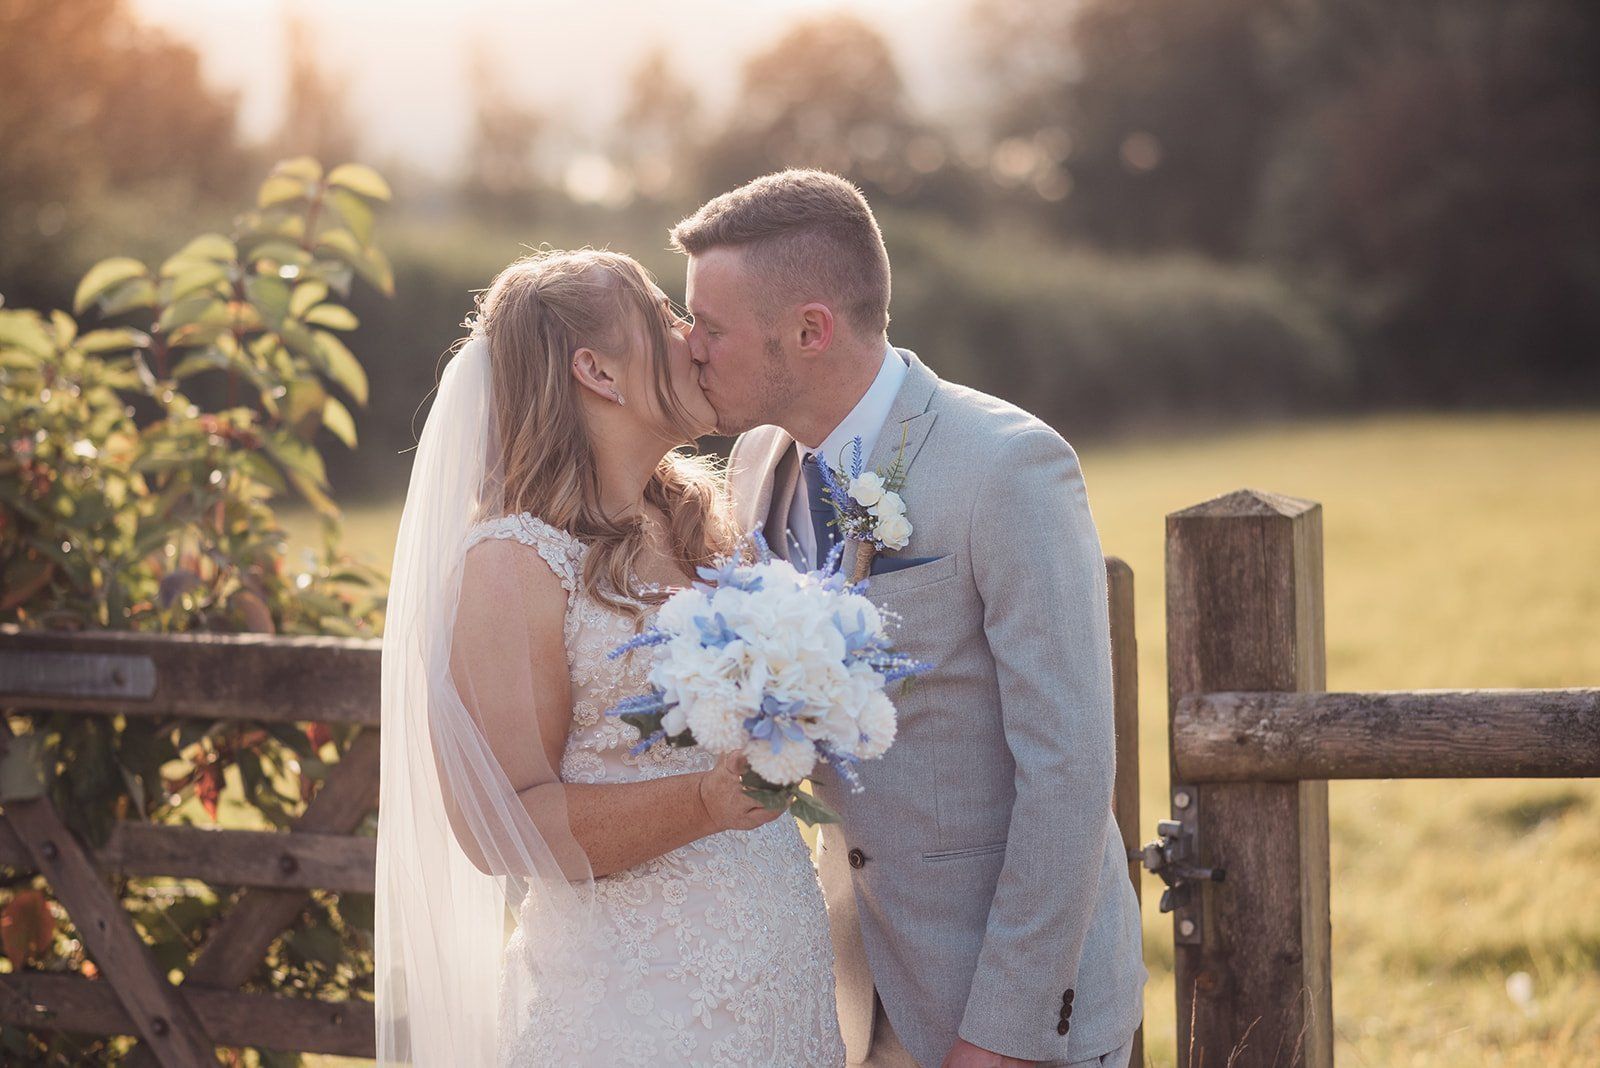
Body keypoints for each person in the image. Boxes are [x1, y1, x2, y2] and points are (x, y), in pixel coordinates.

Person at [672, 169, 1147, 1068]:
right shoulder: (755, 460)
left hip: (1005, 1006)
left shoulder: (1007, 469)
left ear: (811, 330)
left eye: (713, 326)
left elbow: (1071, 768)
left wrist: (1001, 1036)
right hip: (858, 989)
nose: (690, 346)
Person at [373, 248, 845, 1066]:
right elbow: (507, 825)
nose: (693, 335)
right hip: (639, 1017)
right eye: (664, 318)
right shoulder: (512, 564)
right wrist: (701, 800)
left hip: (782, 993)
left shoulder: (709, 523)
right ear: (596, 370)